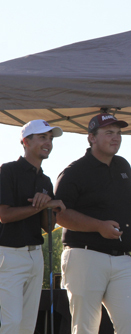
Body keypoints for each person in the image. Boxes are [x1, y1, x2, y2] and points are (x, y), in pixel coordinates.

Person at [54, 113, 131, 334]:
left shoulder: (123, 165)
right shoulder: (74, 171)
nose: (116, 138)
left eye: (119, 133)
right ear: (91, 138)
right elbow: (60, 215)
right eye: (109, 133)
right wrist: (98, 226)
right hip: (85, 256)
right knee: (85, 327)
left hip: (123, 260)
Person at [0, 120, 64, 334]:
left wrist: (51, 208)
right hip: (9, 255)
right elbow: (4, 215)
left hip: (36, 256)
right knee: (11, 323)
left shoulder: (45, 180)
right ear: (26, 141)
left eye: (50, 139)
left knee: (27, 325)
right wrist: (43, 205)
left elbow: (48, 226)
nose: (48, 143)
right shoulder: (7, 171)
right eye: (43, 137)